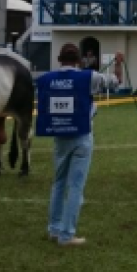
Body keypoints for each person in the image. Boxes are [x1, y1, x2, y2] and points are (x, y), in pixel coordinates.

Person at [36, 43, 112, 247]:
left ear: (60, 59)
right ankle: (67, 234)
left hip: (59, 136)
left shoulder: (46, 79)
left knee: (59, 182)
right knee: (76, 186)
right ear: (78, 60)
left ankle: (54, 228)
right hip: (81, 136)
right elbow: (114, 82)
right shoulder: (88, 77)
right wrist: (119, 65)